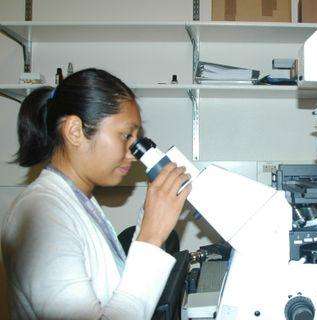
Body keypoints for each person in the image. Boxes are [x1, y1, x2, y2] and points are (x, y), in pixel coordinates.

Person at [1, 68, 191, 319]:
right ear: (75, 131)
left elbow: (116, 292)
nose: (133, 154)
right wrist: (151, 237)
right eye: (126, 136)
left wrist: (152, 219)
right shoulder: (42, 214)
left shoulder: (76, 201)